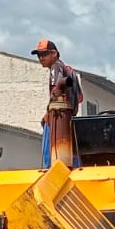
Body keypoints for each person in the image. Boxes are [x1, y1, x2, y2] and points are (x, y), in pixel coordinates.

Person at [31, 39, 79, 168]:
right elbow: (79, 98)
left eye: (44, 54)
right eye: (39, 55)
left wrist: (48, 113)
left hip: (58, 117)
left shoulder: (56, 67)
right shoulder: (68, 69)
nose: (41, 58)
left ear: (54, 53)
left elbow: (56, 91)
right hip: (70, 117)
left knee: (50, 157)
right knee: (71, 155)